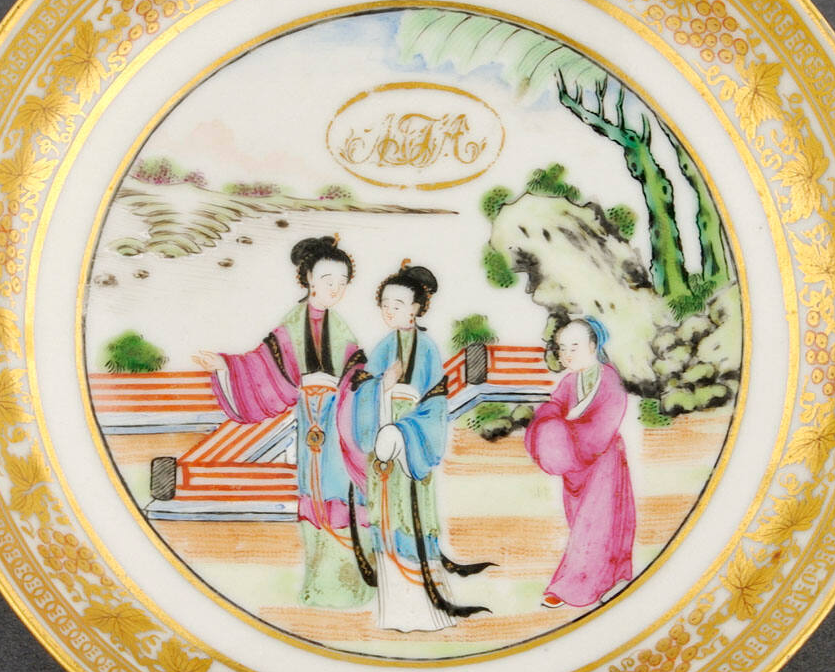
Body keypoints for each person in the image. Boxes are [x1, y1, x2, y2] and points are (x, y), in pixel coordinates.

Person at [194, 235, 373, 608]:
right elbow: (262, 366)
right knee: (314, 494)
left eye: (341, 282)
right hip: (311, 421)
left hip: (339, 424)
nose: (335, 289)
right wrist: (225, 365)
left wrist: (353, 388)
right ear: (308, 278)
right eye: (327, 280)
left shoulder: (341, 326)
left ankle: (352, 585)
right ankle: (319, 586)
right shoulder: (291, 325)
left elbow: (357, 372)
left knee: (342, 492)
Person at [351, 263, 490, 632]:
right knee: (385, 521)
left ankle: (426, 612)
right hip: (381, 447)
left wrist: (404, 434)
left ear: (415, 308)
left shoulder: (427, 348)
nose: (389, 310)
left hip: (410, 445)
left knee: (412, 521)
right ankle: (395, 612)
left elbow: (435, 407)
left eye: (398, 304)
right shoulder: (382, 348)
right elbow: (361, 395)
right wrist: (382, 386)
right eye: (385, 304)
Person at [524, 316, 637, 609]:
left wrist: (570, 432)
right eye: (562, 348)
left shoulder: (609, 380)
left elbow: (604, 423)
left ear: (592, 346)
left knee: (597, 523)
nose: (566, 355)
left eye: (574, 347)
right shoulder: (569, 382)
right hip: (575, 465)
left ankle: (575, 587)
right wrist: (552, 426)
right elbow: (552, 408)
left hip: (604, 461)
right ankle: (602, 580)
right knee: (580, 524)